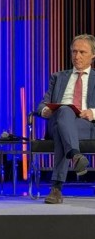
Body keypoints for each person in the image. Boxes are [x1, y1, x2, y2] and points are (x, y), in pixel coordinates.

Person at [37, 34, 95, 204]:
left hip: (85, 125)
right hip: (58, 120)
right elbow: (42, 105)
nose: (77, 56)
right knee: (64, 110)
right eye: (74, 52)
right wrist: (45, 110)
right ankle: (75, 155)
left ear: (93, 55)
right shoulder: (58, 77)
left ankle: (56, 188)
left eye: (82, 52)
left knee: (63, 132)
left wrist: (93, 112)